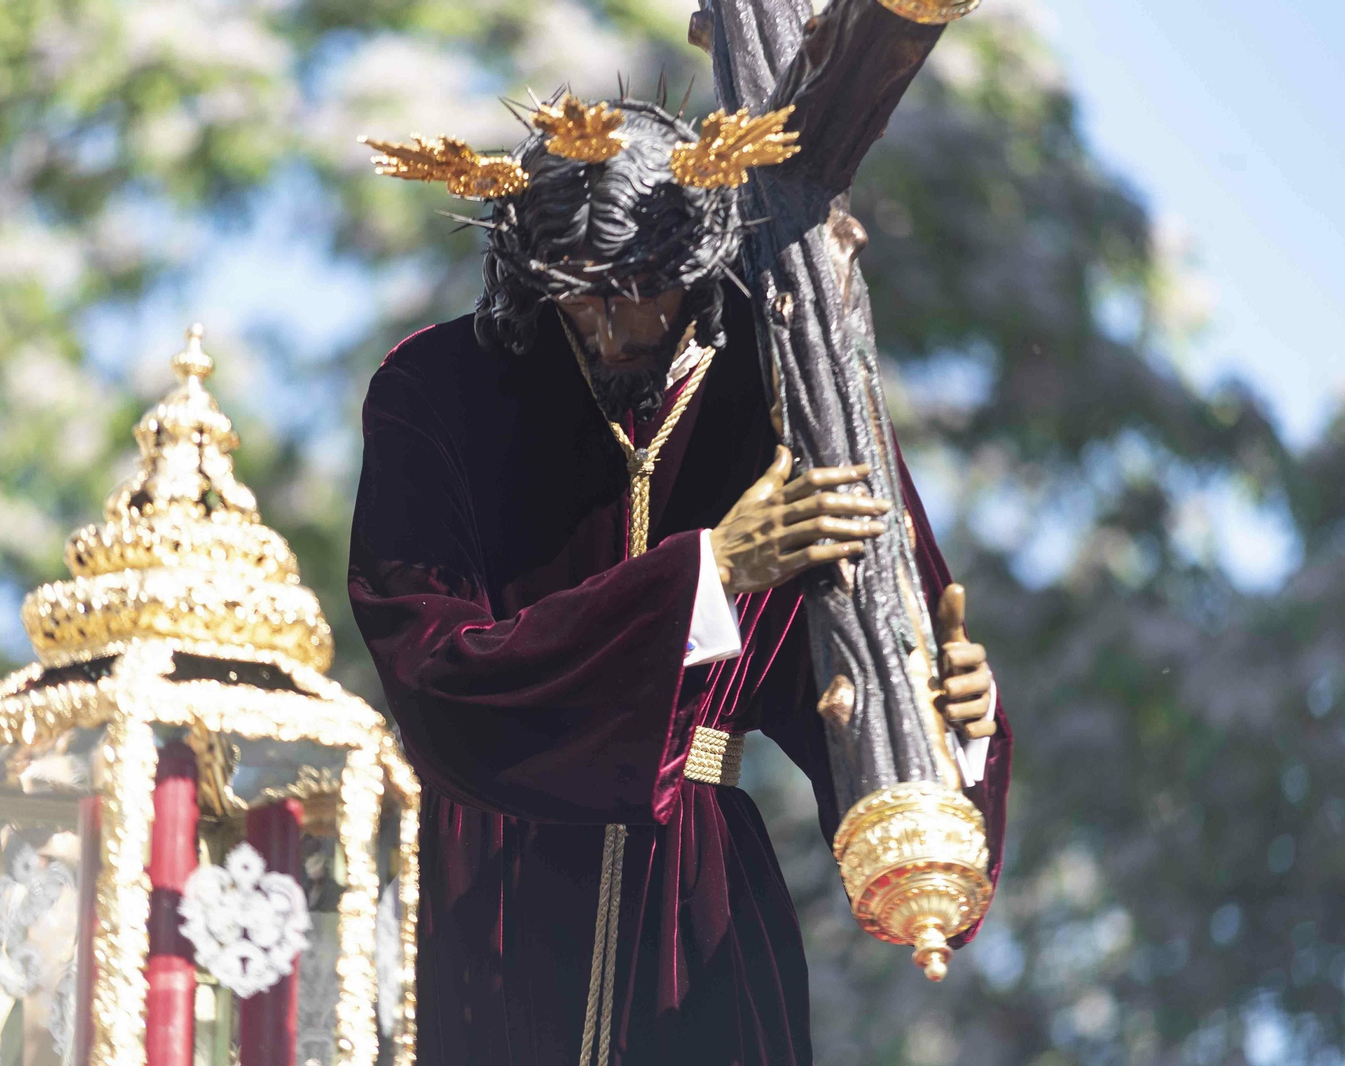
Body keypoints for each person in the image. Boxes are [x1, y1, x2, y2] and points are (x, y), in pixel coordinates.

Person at [350, 78, 1005, 1066]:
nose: (612, 332)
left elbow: (873, 675)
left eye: (638, 300)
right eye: (579, 304)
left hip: (704, 921)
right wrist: (712, 573)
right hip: (492, 905)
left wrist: (954, 717)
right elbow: (436, 675)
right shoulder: (440, 389)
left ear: (696, 262)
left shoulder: (790, 398)